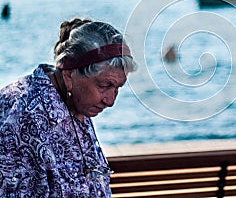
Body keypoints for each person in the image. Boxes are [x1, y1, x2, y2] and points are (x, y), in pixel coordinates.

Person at [0, 18, 137, 197]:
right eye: (105, 86)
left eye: (117, 88)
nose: (110, 101)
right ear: (69, 75)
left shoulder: (75, 100)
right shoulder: (23, 116)